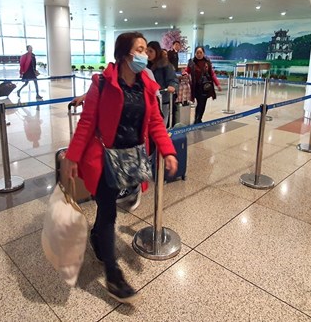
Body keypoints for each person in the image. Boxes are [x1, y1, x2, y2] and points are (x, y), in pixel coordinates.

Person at [62, 32, 178, 303]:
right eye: (139, 49)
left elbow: (155, 123)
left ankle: (96, 235)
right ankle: (114, 276)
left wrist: (168, 151)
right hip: (103, 158)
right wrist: (72, 157)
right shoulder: (101, 85)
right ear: (125, 55)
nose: (144, 55)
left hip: (129, 159)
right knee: (110, 212)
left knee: (106, 209)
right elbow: (87, 124)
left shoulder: (145, 87)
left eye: (145, 50)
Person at [183, 46, 222, 124]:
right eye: (197, 52)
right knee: (199, 102)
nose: (199, 54)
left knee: (202, 103)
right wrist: (184, 73)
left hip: (205, 87)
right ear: (195, 53)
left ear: (203, 53)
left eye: (201, 52)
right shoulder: (191, 62)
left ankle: (198, 119)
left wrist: (218, 84)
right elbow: (187, 70)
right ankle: (197, 119)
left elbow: (212, 74)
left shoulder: (207, 62)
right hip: (196, 86)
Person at [146, 41, 178, 127]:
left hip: (163, 99)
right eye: (146, 51)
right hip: (149, 99)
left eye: (151, 51)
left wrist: (172, 86)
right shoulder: (145, 65)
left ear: (157, 51)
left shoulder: (165, 65)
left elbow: (173, 79)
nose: (148, 54)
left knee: (161, 122)